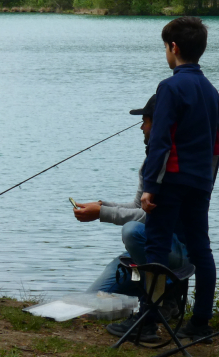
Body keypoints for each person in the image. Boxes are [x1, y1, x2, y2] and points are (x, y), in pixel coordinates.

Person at [139, 16, 219, 342]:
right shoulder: (213, 93)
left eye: (165, 47)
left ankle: (148, 322)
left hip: (171, 180)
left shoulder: (170, 87)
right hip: (201, 181)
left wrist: (150, 186)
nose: (166, 53)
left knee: (156, 246)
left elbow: (160, 142)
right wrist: (207, 182)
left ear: (173, 48)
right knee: (201, 249)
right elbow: (217, 146)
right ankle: (200, 321)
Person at [74, 94, 189, 297]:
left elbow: (152, 217)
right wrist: (102, 204)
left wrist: (102, 213)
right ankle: (144, 291)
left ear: (159, 124)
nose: (141, 128)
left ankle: (164, 295)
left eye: (145, 121)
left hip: (174, 248)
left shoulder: (173, 164)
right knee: (90, 300)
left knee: (132, 232)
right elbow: (139, 206)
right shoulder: (150, 162)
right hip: (146, 246)